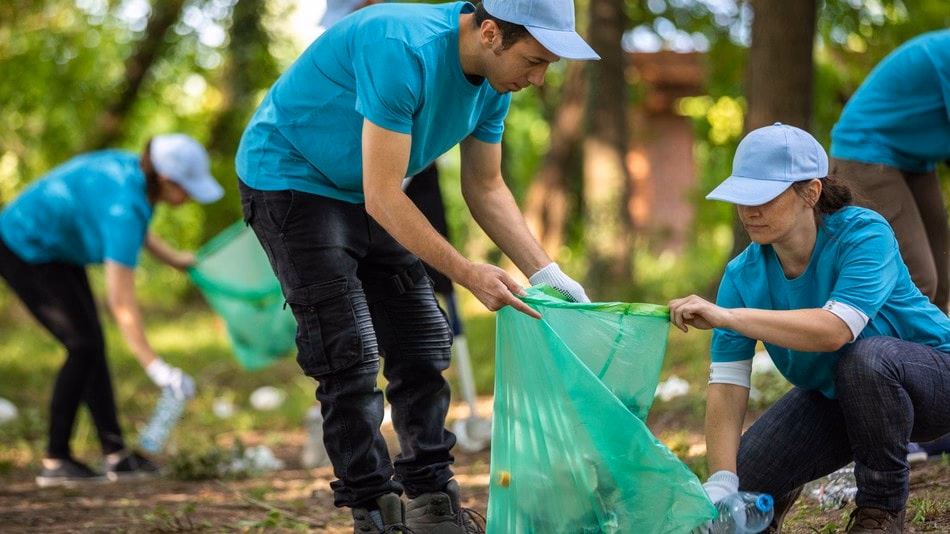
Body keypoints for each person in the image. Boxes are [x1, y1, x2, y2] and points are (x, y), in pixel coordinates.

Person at [235, 0, 597, 531]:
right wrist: (468, 273)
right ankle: (374, 510)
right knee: (348, 352)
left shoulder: (495, 84)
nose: (539, 79)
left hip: (366, 189)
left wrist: (550, 275)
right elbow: (384, 196)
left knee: (423, 341)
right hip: (292, 177)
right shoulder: (402, 48)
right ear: (490, 33)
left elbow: (486, 187)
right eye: (535, 61)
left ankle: (431, 502)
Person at [669, 123, 950, 533]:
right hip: (839, 397)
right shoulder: (742, 275)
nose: (749, 211)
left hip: (933, 383)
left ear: (811, 193)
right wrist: (722, 485)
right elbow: (728, 383)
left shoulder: (864, 233)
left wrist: (728, 316)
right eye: (742, 196)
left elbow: (834, 331)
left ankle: (881, 511)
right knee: (744, 481)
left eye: (764, 197)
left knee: (867, 359)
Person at [0, 134, 224, 487]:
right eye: (189, 188)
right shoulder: (125, 206)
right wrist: (156, 367)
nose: (192, 196)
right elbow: (122, 303)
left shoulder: (133, 172)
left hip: (57, 249)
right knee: (83, 345)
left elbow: (137, 228)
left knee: (90, 344)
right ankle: (55, 460)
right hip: (23, 244)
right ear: (166, 180)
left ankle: (116, 455)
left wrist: (175, 259)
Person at [830, 29, 950, 313]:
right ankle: (869, 341)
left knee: (943, 281)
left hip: (913, 158)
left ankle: (930, 343)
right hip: (865, 151)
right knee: (918, 279)